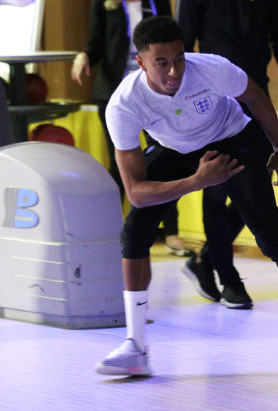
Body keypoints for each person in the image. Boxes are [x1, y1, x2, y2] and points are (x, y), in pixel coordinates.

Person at [94, 16, 278, 378]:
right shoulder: (123, 105)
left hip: (232, 138)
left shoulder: (211, 69)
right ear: (141, 62)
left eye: (179, 58)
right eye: (161, 63)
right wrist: (197, 181)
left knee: (270, 232)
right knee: (134, 232)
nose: (173, 71)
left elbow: (255, 97)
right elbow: (136, 193)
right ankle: (135, 345)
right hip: (177, 150)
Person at [176, 0, 278, 309]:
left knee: (254, 189)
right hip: (212, 99)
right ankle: (227, 276)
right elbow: (182, 45)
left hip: (254, 95)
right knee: (217, 185)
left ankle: (206, 259)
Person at [71, 0, 194, 257]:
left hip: (154, 93)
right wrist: (84, 56)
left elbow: (171, 39)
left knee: (166, 158)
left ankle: (171, 233)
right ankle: (108, 232)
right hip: (116, 94)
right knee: (120, 165)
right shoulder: (105, 4)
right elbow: (96, 42)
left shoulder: (157, 2)